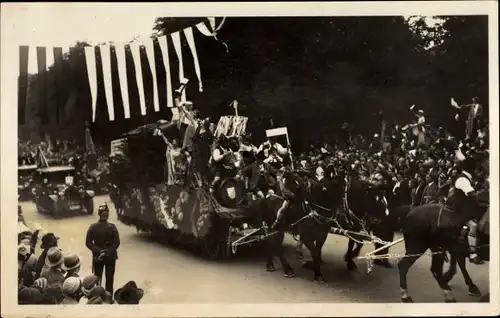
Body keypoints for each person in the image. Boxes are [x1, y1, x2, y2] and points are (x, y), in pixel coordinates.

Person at [446, 157, 484, 264]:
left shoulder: (467, 178)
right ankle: (473, 254)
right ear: (471, 168)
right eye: (476, 168)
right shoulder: (463, 179)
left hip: (465, 209)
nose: (478, 170)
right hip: (459, 210)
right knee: (473, 226)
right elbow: (472, 195)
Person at [86, 204, 120, 294]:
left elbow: (88, 243)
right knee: (109, 280)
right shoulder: (112, 227)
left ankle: (98, 296)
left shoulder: (93, 227)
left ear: (99, 214)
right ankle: (108, 298)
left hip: (98, 257)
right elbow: (116, 243)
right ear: (107, 214)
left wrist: (99, 250)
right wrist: (107, 252)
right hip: (110, 256)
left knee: (97, 278)